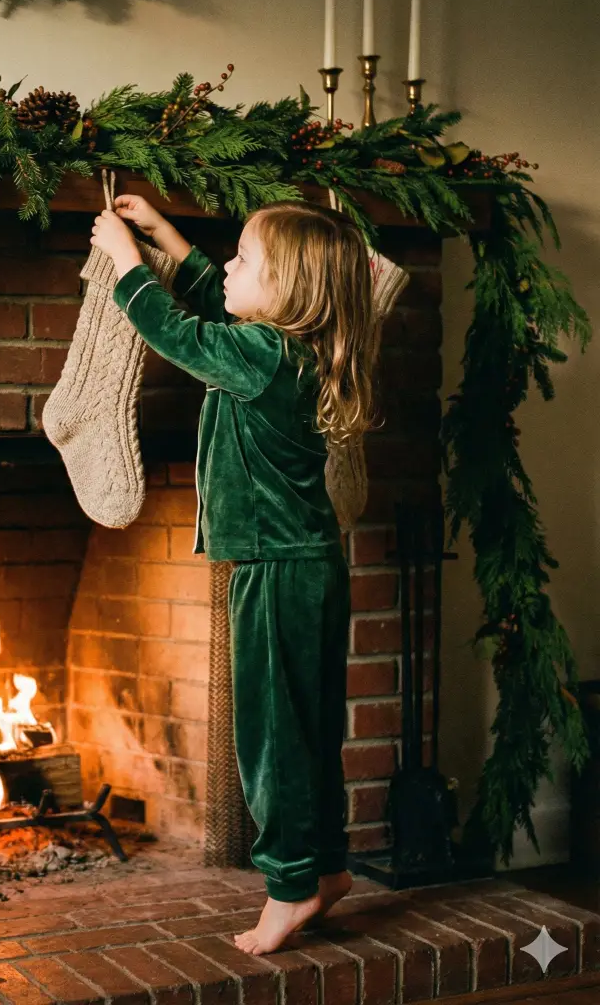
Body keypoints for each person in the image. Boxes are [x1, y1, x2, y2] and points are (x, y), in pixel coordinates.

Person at [90, 195, 376, 955]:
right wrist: (168, 240)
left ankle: (287, 890)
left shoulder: (257, 354)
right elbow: (214, 291)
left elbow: (178, 332)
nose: (230, 271)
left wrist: (125, 260)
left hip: (272, 574)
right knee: (310, 732)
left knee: (273, 740)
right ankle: (327, 869)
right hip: (311, 566)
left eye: (246, 261)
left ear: (284, 291)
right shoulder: (293, 350)